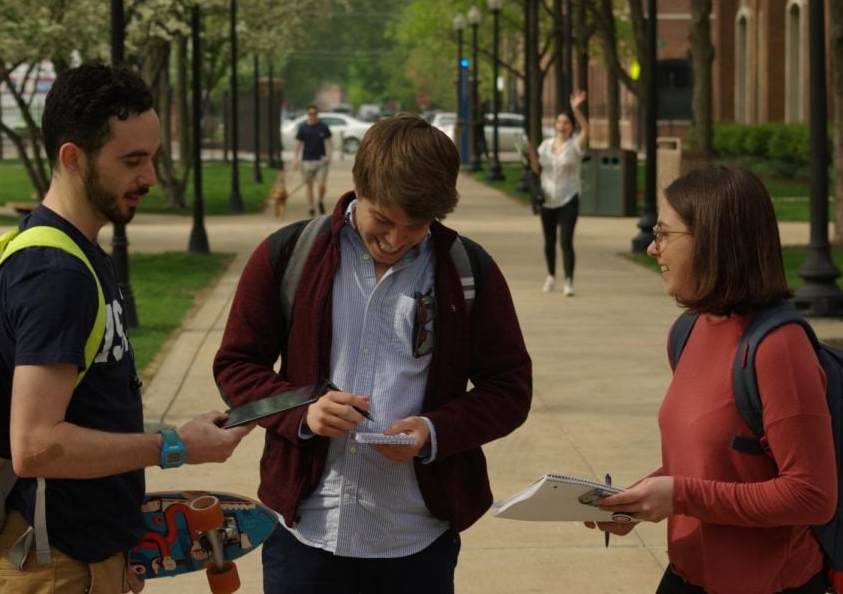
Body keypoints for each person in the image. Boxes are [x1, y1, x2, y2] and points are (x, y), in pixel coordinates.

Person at [214, 113, 532, 593]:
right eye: (383, 220)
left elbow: (510, 389)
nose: (396, 239)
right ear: (357, 186)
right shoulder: (289, 254)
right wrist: (304, 410)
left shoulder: (467, 271)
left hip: (417, 540)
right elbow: (236, 365)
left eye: (417, 226)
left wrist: (433, 430)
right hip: (306, 531)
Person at [0, 63, 253, 593]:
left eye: (152, 157)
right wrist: (172, 446)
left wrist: (115, 548)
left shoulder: (79, 254)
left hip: (81, 554)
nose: (149, 177)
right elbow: (35, 445)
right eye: (132, 161)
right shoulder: (55, 276)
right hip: (55, 560)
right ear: (73, 158)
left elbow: (93, 410)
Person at [588, 165, 835, 594]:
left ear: (714, 242)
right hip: (685, 577)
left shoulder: (779, 348)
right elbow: (710, 463)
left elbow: (812, 495)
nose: (652, 248)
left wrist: (680, 495)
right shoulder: (688, 331)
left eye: (664, 234)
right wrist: (638, 499)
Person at [528, 90, 589, 297]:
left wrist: (576, 110)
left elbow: (586, 129)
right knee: (549, 241)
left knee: (566, 241)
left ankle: (569, 281)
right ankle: (551, 276)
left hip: (569, 198)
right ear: (555, 125)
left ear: (571, 127)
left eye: (566, 123)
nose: (562, 126)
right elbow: (538, 169)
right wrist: (529, 155)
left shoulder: (575, 146)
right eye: (559, 122)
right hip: (547, 198)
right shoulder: (545, 146)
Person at [294, 104, 334, 217]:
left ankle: (320, 201)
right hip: (307, 160)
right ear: (308, 115)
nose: (312, 116)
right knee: (309, 186)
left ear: (317, 114)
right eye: (310, 114)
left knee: (321, 185)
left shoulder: (323, 127)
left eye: (314, 114)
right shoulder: (303, 128)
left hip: (321, 160)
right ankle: (311, 207)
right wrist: (296, 159)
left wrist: (330, 154)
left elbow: (330, 141)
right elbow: (298, 144)